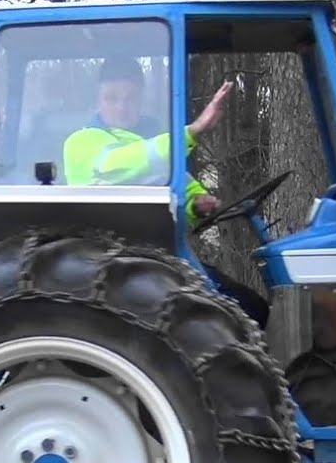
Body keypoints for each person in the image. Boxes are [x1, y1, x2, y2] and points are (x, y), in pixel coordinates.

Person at [62, 57, 269, 329]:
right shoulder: (82, 142)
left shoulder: (156, 145)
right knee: (239, 313)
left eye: (130, 98)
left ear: (141, 100)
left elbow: (184, 194)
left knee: (253, 305)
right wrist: (193, 131)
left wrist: (198, 205)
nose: (121, 107)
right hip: (115, 264)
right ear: (97, 100)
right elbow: (121, 164)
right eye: (111, 98)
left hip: (161, 256)